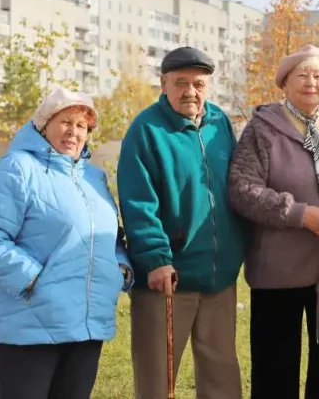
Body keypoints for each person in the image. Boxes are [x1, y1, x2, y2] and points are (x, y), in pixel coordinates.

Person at [0, 87, 134, 399]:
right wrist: (34, 280)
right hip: (31, 323)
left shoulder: (94, 178)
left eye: (81, 126)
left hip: (87, 324)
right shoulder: (18, 168)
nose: (73, 132)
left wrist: (121, 270)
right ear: (45, 123)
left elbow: (111, 236)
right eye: (66, 122)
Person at [228, 44, 319, 399]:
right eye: (301, 75)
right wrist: (298, 214)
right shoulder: (262, 129)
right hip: (279, 273)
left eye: (318, 76)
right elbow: (242, 189)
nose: (310, 83)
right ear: (284, 83)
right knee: (276, 371)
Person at [117, 46, 245, 399]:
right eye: (181, 83)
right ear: (163, 84)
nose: (191, 91)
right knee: (159, 377)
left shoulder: (219, 123)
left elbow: (233, 186)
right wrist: (157, 260)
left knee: (221, 371)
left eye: (199, 83)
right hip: (167, 277)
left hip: (219, 277)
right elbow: (138, 203)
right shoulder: (146, 130)